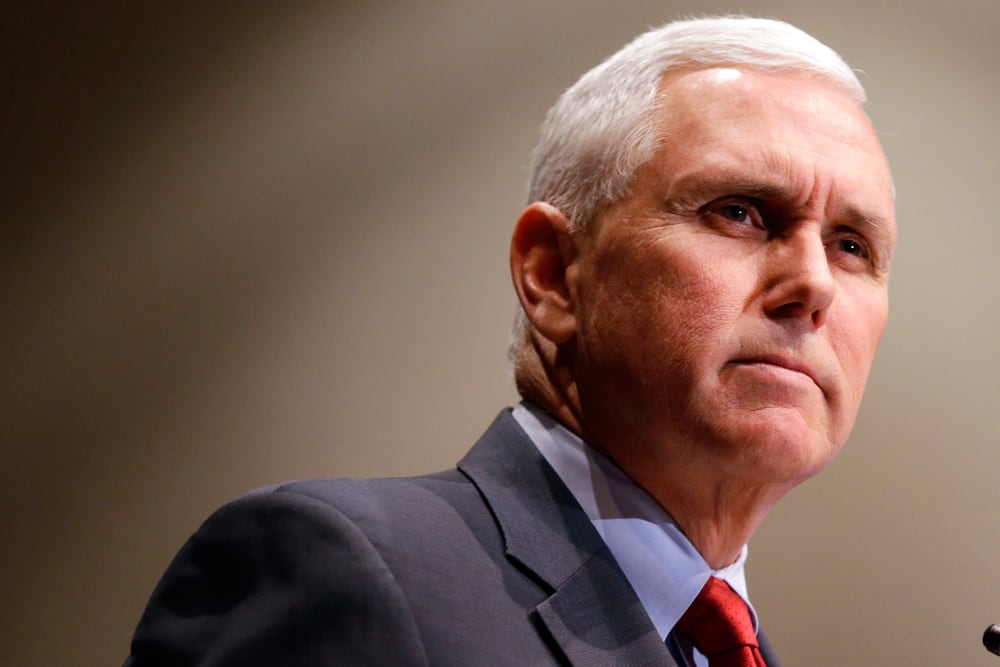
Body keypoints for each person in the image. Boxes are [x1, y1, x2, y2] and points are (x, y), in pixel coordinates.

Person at [124, 15, 896, 667]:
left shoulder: (730, 645)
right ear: (553, 273)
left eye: (851, 246)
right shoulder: (343, 571)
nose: (814, 284)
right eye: (739, 212)